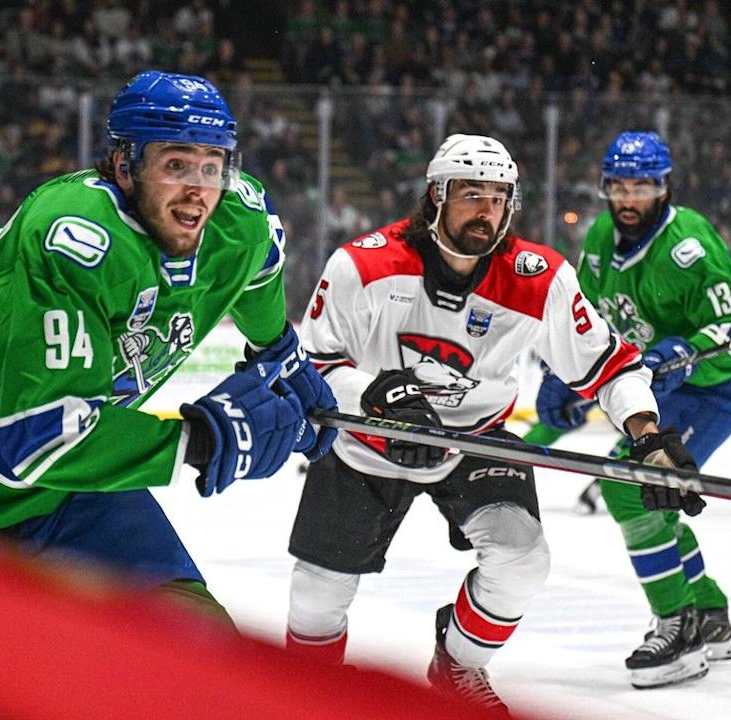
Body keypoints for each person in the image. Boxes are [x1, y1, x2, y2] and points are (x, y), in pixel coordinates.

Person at [0, 71, 337, 622]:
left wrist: (280, 351)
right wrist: (201, 438)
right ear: (126, 165)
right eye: (175, 164)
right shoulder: (70, 239)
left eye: (212, 164)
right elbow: (35, 433)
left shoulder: (238, 219)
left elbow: (258, 271)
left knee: (198, 647)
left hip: (76, 488)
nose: (199, 187)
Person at [283, 133, 696, 714]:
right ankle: (305, 690)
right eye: (471, 193)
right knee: (315, 595)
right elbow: (316, 363)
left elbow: (609, 366)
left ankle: (457, 665)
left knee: (522, 556)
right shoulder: (364, 263)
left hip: (473, 439)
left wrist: (647, 437)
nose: (487, 210)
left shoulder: (539, 278)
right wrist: (378, 395)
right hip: (369, 441)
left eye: (499, 196)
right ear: (436, 196)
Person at [529, 130, 731, 688]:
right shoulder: (601, 235)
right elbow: (587, 318)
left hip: (714, 387)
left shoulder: (690, 245)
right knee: (647, 494)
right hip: (653, 388)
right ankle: (709, 612)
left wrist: (690, 349)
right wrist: (564, 373)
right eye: (619, 186)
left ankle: (679, 627)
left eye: (642, 186)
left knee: (632, 488)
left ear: (664, 187)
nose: (628, 198)